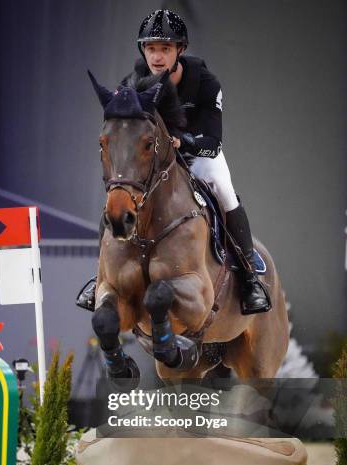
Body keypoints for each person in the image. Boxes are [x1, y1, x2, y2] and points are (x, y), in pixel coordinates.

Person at [77, 8, 271, 315]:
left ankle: (249, 278)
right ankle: (99, 274)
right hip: (155, 159)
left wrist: (185, 142)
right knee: (119, 196)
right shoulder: (135, 80)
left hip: (198, 155)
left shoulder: (205, 83)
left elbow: (214, 141)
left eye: (165, 48)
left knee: (223, 188)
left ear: (180, 50)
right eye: (150, 48)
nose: (156, 56)